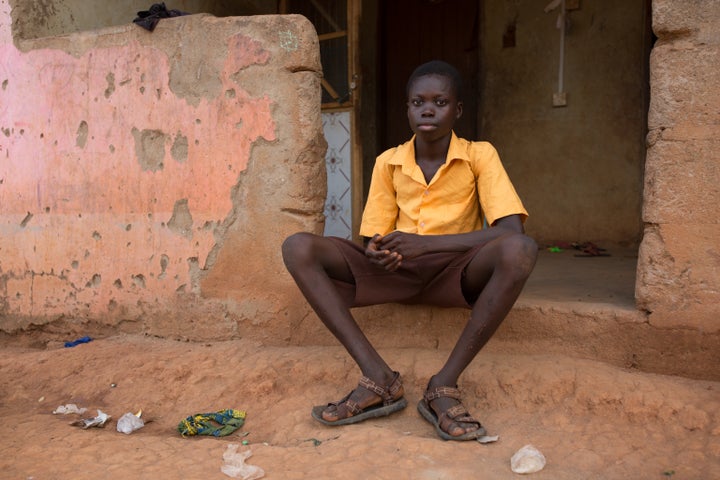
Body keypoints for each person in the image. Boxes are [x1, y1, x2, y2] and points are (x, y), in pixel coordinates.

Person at [282, 60, 537, 441]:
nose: (428, 109)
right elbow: (374, 236)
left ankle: (443, 386)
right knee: (297, 246)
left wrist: (426, 245)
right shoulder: (389, 161)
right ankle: (378, 377)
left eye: (441, 101)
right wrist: (379, 252)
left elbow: (510, 229)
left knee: (521, 249)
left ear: (458, 110)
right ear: (407, 108)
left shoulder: (479, 155)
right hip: (398, 271)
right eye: (418, 101)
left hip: (457, 272)